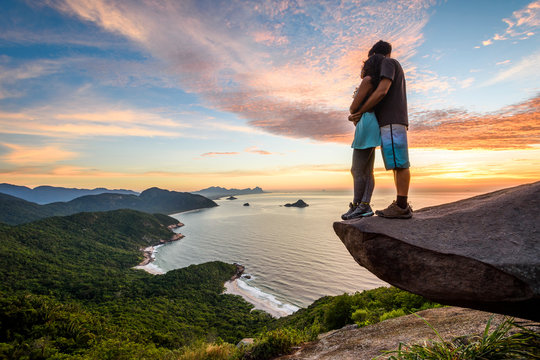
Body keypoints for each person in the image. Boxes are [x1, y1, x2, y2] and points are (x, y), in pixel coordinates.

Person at [349, 40, 412, 219]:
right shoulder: (392, 64)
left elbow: (382, 91)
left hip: (392, 120)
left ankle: (401, 206)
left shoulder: (388, 62)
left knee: (399, 163)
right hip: (391, 121)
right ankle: (401, 204)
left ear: (375, 55)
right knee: (396, 163)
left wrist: (360, 111)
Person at [341, 54, 385, 220]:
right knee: (366, 170)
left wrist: (352, 114)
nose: (362, 68)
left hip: (366, 125)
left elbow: (353, 108)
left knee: (358, 169)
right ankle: (361, 205)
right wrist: (353, 117)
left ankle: (360, 205)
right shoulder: (375, 83)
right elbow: (355, 114)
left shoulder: (367, 80)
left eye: (364, 65)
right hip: (367, 124)